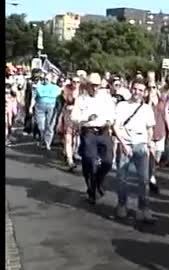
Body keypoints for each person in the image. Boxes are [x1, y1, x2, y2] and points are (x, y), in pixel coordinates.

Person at [112, 79, 156, 223]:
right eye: (135, 89)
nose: (137, 92)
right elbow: (116, 127)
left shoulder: (147, 109)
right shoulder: (122, 105)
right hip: (125, 144)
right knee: (122, 179)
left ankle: (143, 208)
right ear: (131, 89)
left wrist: (149, 145)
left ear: (145, 93)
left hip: (141, 145)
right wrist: (123, 144)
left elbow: (150, 129)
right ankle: (122, 205)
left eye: (141, 90)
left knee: (144, 180)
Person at [71, 73, 116, 204]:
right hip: (89, 131)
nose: (95, 88)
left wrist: (110, 121)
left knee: (108, 161)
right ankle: (91, 190)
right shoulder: (81, 99)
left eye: (97, 85)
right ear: (87, 85)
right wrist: (86, 119)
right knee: (89, 161)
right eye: (92, 85)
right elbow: (74, 118)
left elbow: (112, 114)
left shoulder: (106, 98)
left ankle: (98, 182)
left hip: (103, 131)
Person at [146, 81, 169, 194]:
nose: (152, 90)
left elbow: (166, 114)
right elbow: (144, 113)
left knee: (157, 158)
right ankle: (151, 179)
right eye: (150, 87)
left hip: (161, 132)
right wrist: (149, 102)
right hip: (150, 133)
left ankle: (151, 174)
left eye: (154, 87)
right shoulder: (145, 101)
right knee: (151, 158)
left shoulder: (162, 99)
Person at [29, 72, 62, 150]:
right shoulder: (38, 87)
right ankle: (42, 138)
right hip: (40, 107)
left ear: (51, 79)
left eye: (47, 79)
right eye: (44, 79)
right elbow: (33, 98)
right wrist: (30, 107)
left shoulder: (56, 88)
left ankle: (47, 143)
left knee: (50, 126)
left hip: (52, 107)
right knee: (41, 126)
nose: (45, 80)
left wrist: (59, 109)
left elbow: (59, 100)